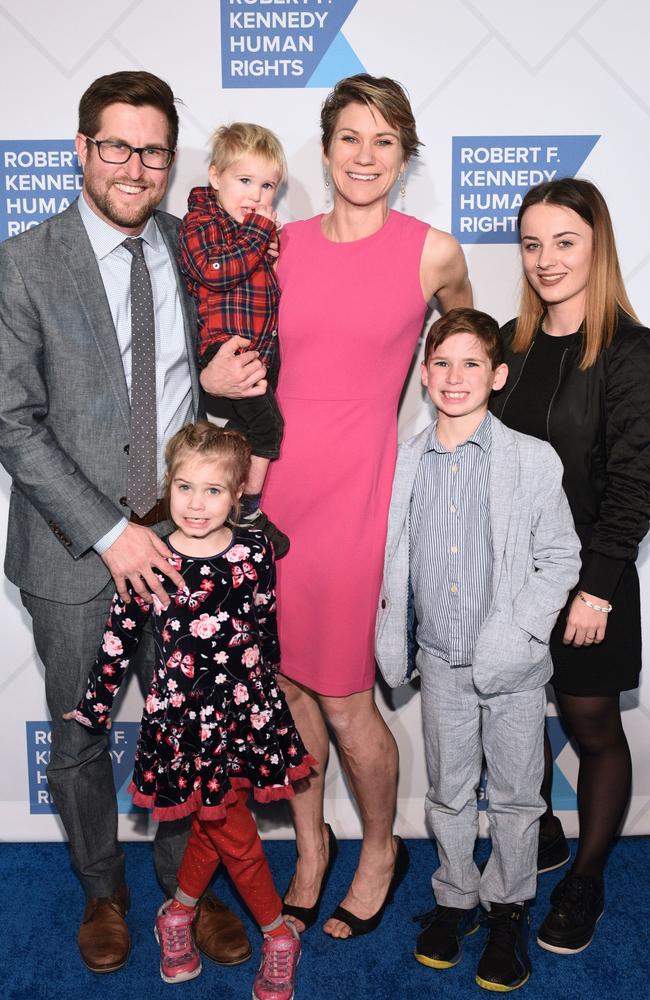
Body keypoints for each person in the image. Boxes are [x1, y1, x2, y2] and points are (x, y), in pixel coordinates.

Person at [0, 71, 268, 973]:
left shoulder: (194, 247)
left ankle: (184, 898)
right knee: (77, 736)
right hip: (76, 550)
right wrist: (112, 534)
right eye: (116, 146)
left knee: (187, 727)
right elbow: (11, 418)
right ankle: (101, 893)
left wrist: (223, 390)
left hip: (186, 540)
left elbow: (204, 367)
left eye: (153, 150)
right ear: (82, 150)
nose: (135, 166)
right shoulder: (23, 261)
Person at [220, 73, 472, 940]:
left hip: (363, 491)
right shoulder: (277, 243)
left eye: (385, 141)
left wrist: (457, 446)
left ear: (404, 158)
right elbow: (226, 335)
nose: (365, 156)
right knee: (287, 684)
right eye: (349, 138)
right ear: (323, 150)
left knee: (344, 697)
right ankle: (312, 846)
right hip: (273, 486)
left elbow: (462, 355)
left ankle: (377, 850)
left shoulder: (432, 250)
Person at [65, 422, 314, 998]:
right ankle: (278, 934)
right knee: (226, 823)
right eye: (184, 487)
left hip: (247, 710)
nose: (196, 504)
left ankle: (176, 913)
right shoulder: (149, 553)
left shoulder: (254, 551)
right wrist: (95, 705)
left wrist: (270, 698)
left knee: (214, 817)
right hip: (183, 720)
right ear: (167, 485)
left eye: (213, 491)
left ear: (237, 494)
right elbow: (119, 637)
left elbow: (264, 623)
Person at [376, 308, 580, 991]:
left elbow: (558, 557)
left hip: (514, 664)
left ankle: (509, 906)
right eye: (441, 363)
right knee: (449, 790)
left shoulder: (531, 458)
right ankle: (455, 895)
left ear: (497, 375)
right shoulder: (402, 459)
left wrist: (518, 631)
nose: (454, 377)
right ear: (424, 374)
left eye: (471, 364)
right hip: (438, 658)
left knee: (520, 797)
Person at [490, 177, 650, 955]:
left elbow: (635, 481)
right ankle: (542, 831)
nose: (546, 260)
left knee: (590, 728)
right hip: (512, 582)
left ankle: (586, 876)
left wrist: (598, 589)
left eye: (565, 242)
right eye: (532, 243)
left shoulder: (630, 348)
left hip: (594, 583)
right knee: (509, 719)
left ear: (597, 245)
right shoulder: (509, 346)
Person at [178, 123, 289, 556]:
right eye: (245, 181)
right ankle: (250, 512)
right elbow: (214, 270)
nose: (257, 196)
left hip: (257, 351)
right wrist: (260, 236)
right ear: (215, 175)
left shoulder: (249, 232)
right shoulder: (201, 222)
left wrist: (268, 251)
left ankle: (227, 504)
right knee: (269, 426)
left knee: (243, 434)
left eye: (267, 186)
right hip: (227, 348)